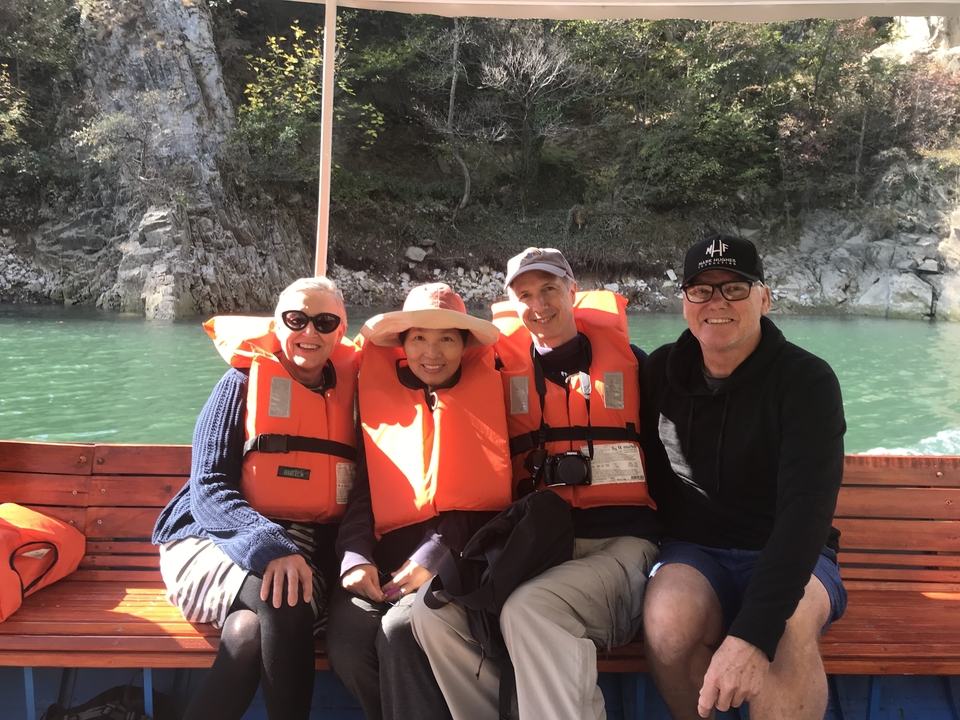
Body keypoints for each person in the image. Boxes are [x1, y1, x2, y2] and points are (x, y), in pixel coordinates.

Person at [411, 248, 660, 720]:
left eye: (549, 289)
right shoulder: (498, 376)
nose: (539, 304)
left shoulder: (636, 365)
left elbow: (675, 464)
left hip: (625, 545)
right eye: (525, 294)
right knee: (433, 611)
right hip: (537, 545)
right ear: (513, 302)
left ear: (572, 290)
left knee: (530, 609)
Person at [640, 234, 848, 720]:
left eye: (734, 288)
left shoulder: (807, 382)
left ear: (764, 298)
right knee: (667, 624)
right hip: (695, 551)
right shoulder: (658, 373)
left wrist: (753, 633)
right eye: (702, 289)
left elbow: (805, 516)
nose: (717, 302)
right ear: (685, 303)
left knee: (788, 629)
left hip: (792, 550)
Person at [152, 277, 358, 720]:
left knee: (247, 632)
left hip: (305, 553)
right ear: (278, 324)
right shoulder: (240, 383)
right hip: (211, 543)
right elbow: (208, 487)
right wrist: (269, 547)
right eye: (296, 320)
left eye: (324, 322)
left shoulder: (355, 396)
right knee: (282, 599)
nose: (310, 333)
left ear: (341, 331)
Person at [326, 282, 513, 720]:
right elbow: (363, 492)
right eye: (419, 338)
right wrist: (354, 555)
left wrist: (437, 552)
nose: (433, 352)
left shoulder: (495, 398)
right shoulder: (378, 404)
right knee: (349, 643)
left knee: (399, 629)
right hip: (384, 561)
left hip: (461, 559)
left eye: (447, 337)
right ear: (403, 344)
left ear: (465, 345)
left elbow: (499, 505)